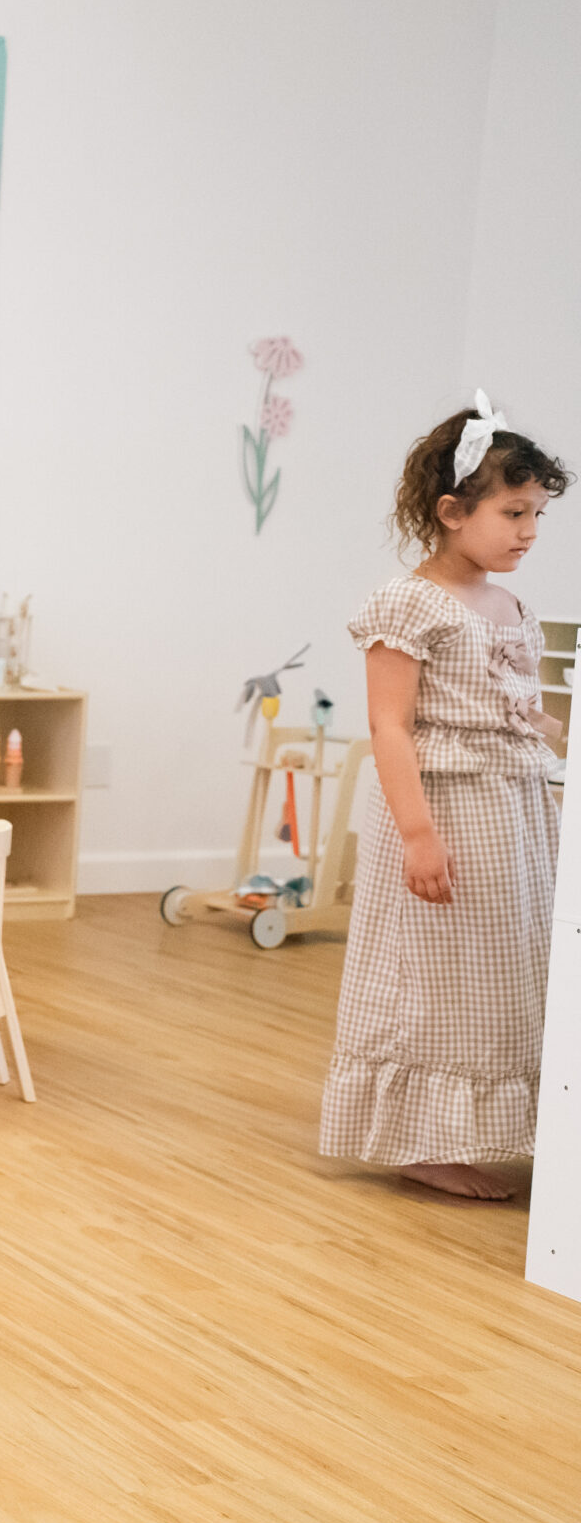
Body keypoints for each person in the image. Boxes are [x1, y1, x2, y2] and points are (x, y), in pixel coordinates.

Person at [322, 394, 569, 1199]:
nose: (530, 531)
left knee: (503, 970)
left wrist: (560, 739)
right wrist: (419, 835)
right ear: (453, 512)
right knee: (434, 972)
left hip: (514, 811)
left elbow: (521, 712)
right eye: (513, 513)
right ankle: (420, 1137)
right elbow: (389, 727)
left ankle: (497, 1125)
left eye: (537, 514)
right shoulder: (410, 603)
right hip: (448, 809)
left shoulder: (512, 606)